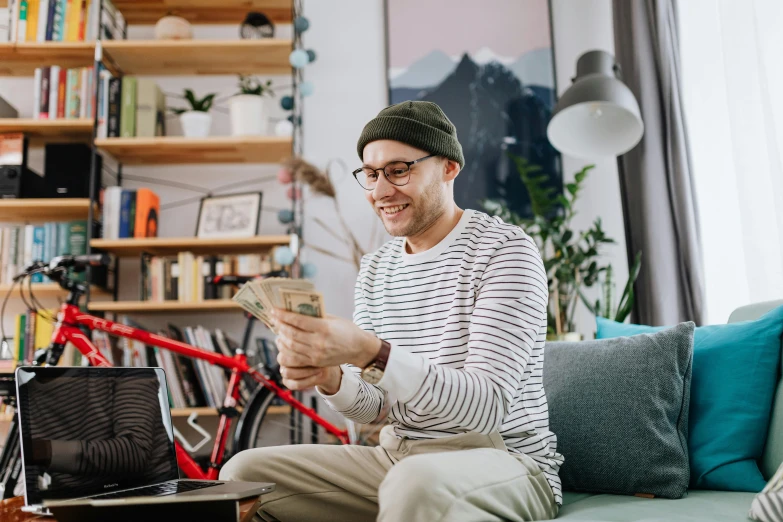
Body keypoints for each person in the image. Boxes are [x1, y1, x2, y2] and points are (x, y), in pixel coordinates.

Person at [220, 101, 563, 522]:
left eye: (399, 170)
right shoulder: (377, 268)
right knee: (242, 476)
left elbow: (485, 408)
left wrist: (371, 352)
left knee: (415, 482)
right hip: (400, 456)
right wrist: (329, 378)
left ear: (449, 167)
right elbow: (375, 407)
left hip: (506, 461)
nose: (380, 192)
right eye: (371, 173)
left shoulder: (505, 252)